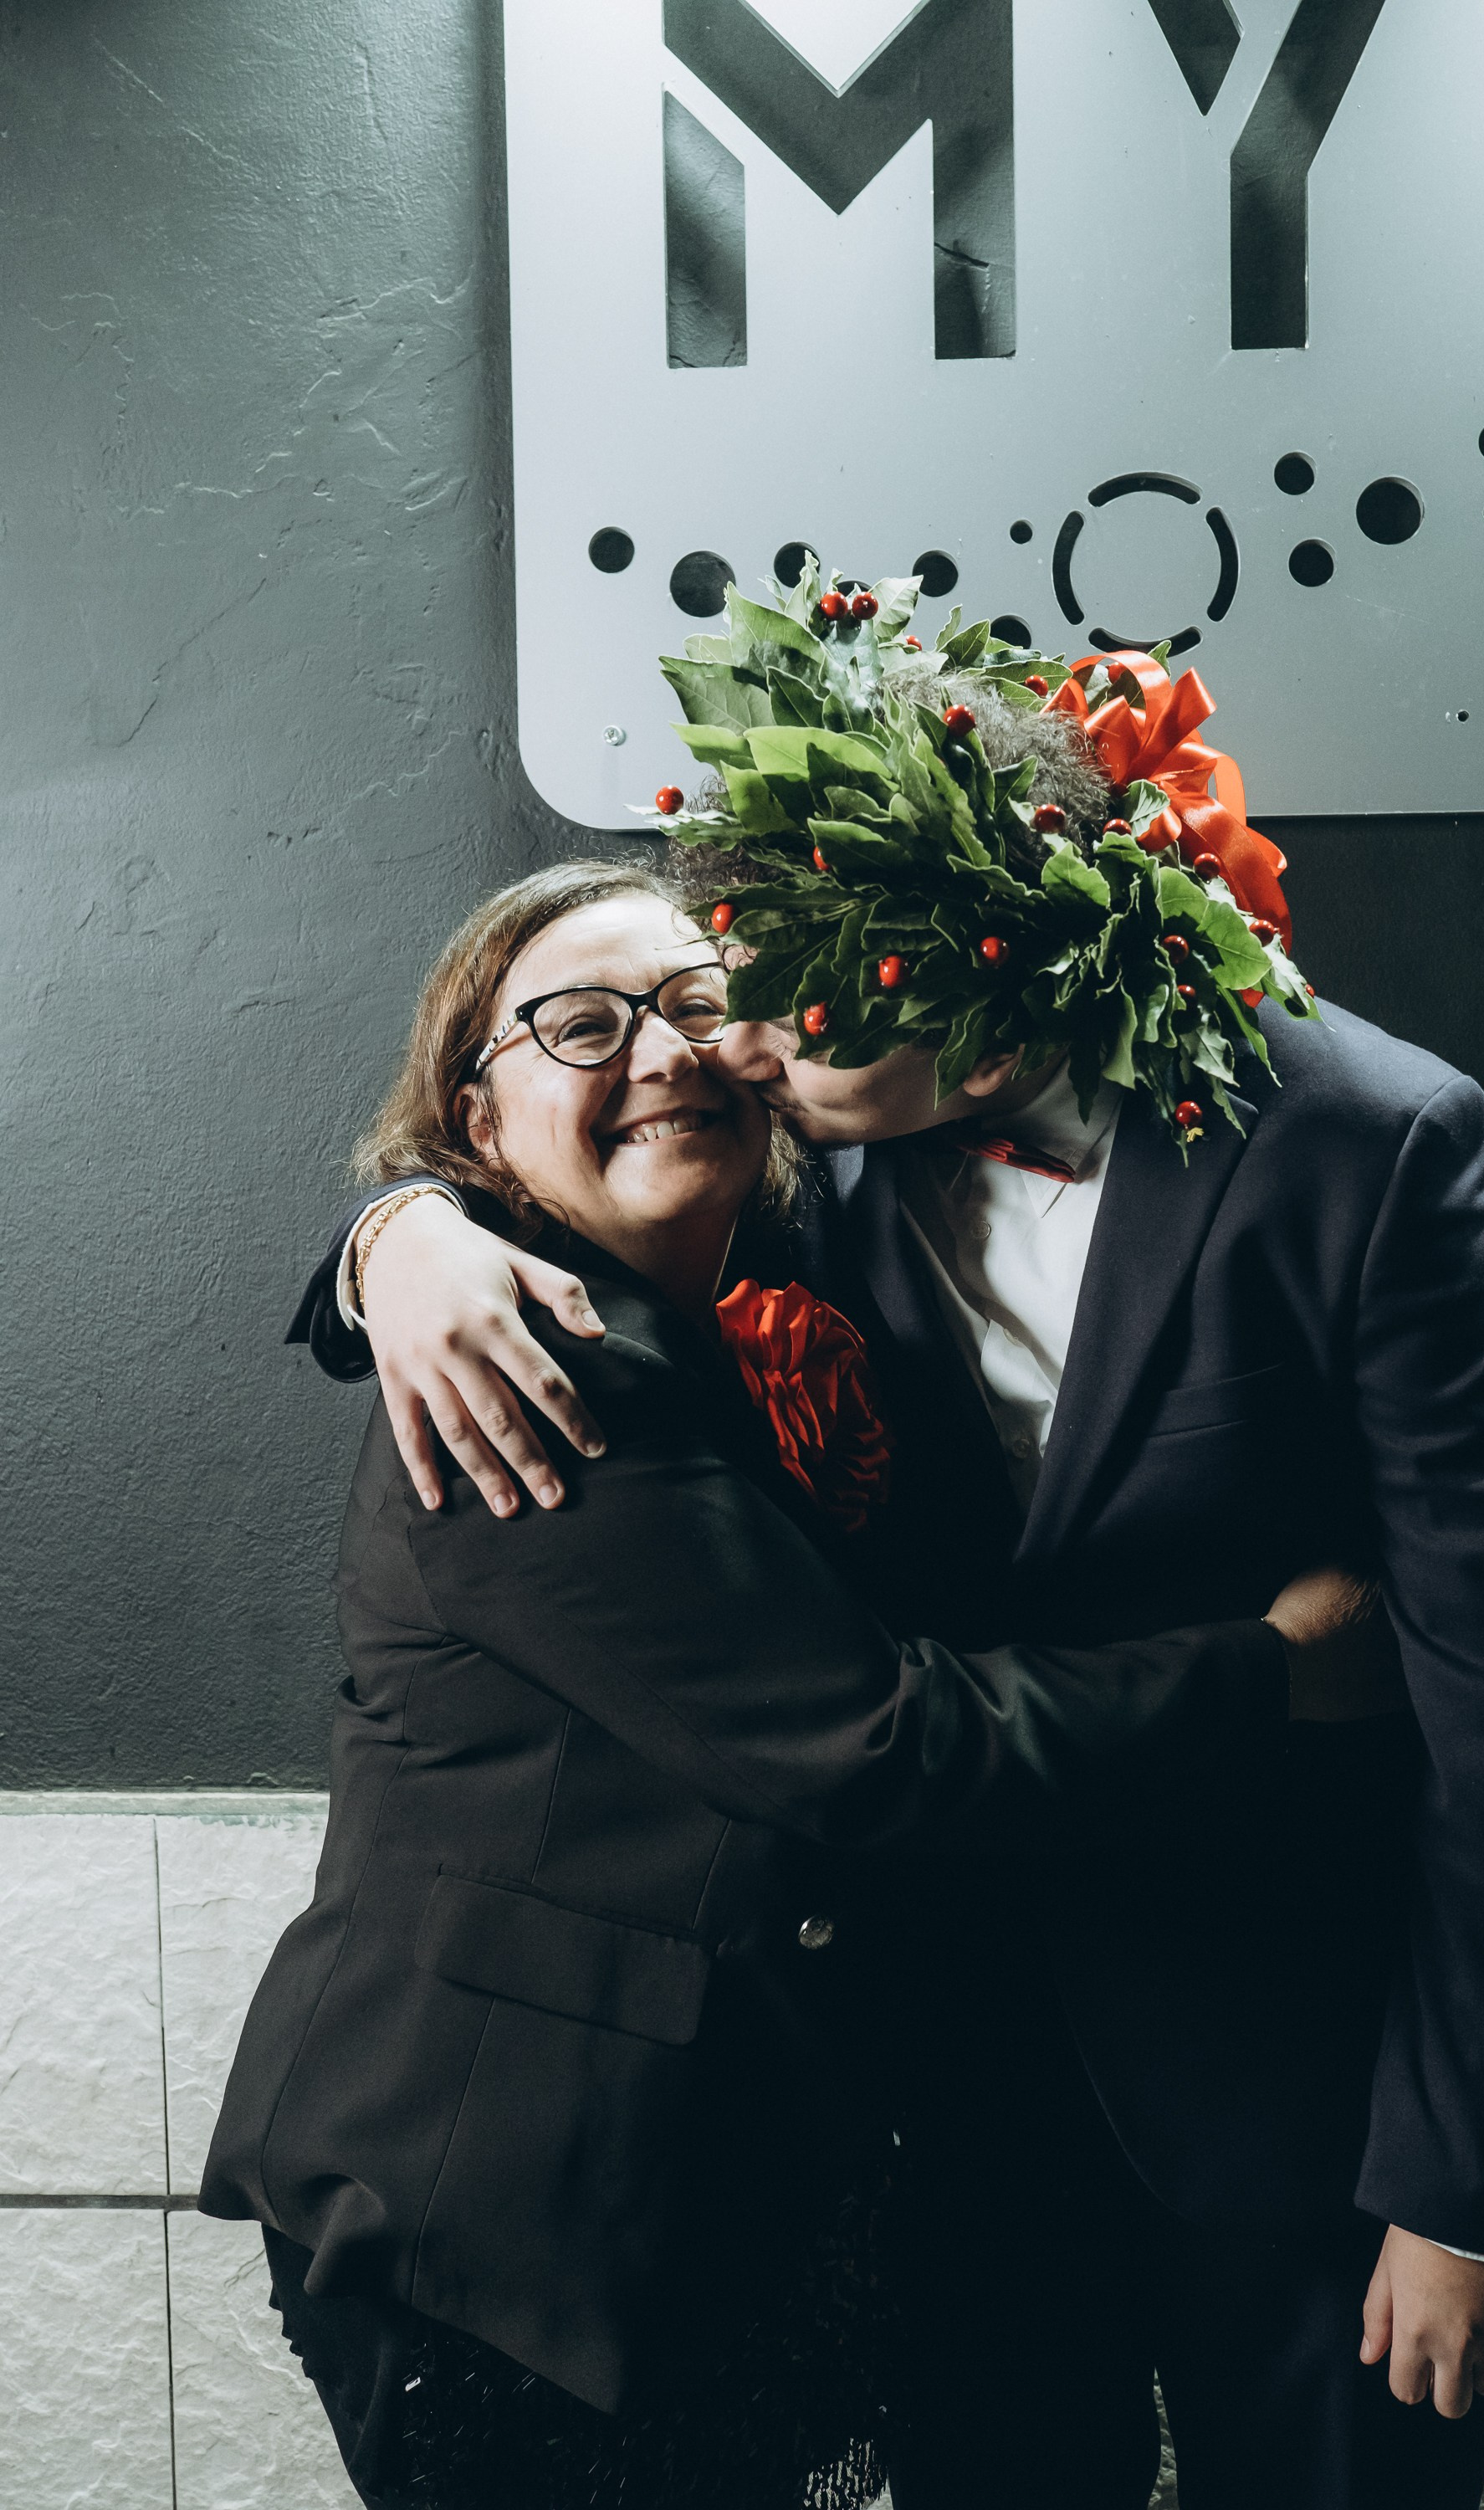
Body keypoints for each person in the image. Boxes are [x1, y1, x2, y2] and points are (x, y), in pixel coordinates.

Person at [287, 579, 1484, 2510]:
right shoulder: (795, 1138)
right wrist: (389, 1237)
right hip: (937, 2102)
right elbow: (532, 1155)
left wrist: (1472, 2190)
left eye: (781, 980)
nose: (734, 1038)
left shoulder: (1364, 1141)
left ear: (995, 944)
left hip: (1295, 2109)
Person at [204, 859, 1395, 2510]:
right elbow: (876, 1745)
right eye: (582, 1022)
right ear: (477, 1127)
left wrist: (386, 1236)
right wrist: (1275, 1676)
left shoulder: (768, 1303)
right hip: (500, 2223)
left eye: (699, 1005)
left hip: (703, 2199)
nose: (666, 1048)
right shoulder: (534, 1370)